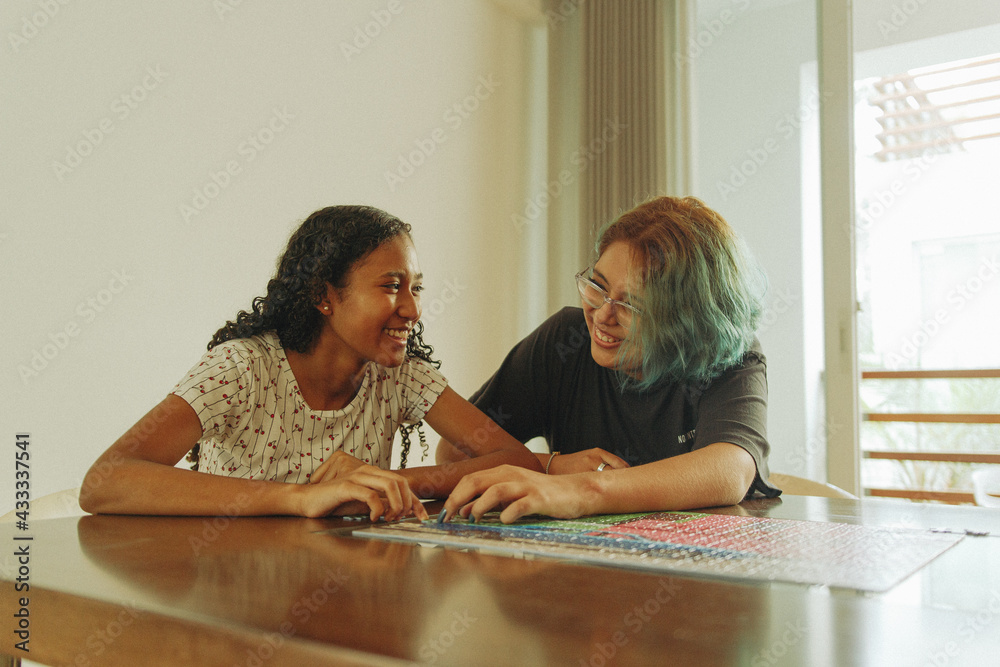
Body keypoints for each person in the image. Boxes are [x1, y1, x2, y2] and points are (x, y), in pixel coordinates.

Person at [80, 205, 542, 522]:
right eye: (390, 286)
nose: (412, 309)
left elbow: (516, 460)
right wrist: (302, 498)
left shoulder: (399, 375)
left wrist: (385, 482)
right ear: (324, 295)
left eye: (415, 288)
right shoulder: (241, 369)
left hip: (344, 598)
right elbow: (105, 482)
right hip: (239, 608)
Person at [438, 196, 781, 523]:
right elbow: (457, 453)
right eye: (597, 287)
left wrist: (582, 491)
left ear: (687, 322)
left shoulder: (728, 354)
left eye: (632, 306)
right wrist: (553, 467)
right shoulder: (565, 341)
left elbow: (728, 471)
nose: (603, 315)